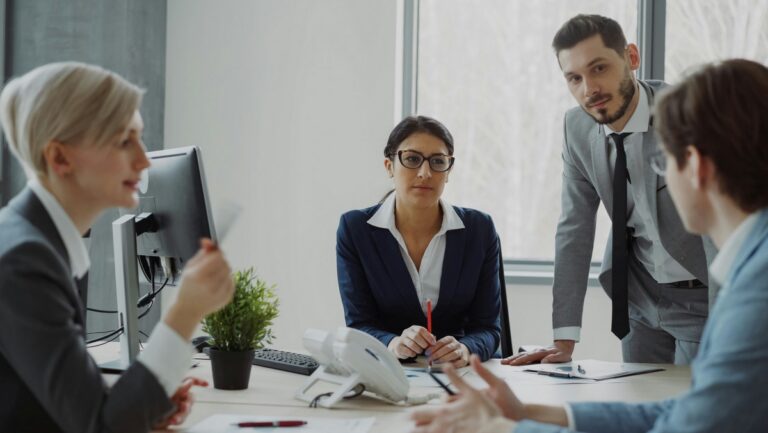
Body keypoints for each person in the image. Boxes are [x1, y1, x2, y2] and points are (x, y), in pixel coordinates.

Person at [410, 58, 768, 433]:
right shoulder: (751, 266)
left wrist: (497, 430)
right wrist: (530, 413)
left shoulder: (756, 294)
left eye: (665, 165)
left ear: (696, 168)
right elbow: (685, 413)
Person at [0, 62, 235, 433]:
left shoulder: (40, 241)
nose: (143, 160)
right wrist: (186, 314)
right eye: (124, 141)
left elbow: (63, 404)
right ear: (60, 158)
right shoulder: (22, 261)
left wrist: (139, 407)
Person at [506, 15, 715, 366]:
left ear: (631, 57)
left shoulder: (686, 114)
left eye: (599, 68)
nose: (589, 88)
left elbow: (717, 222)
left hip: (703, 295)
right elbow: (574, 228)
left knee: (698, 414)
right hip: (639, 296)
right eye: (574, 78)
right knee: (638, 406)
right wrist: (564, 339)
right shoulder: (576, 128)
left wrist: (733, 317)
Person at [336, 115, 502, 365]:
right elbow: (360, 324)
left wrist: (465, 349)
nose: (425, 173)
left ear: (448, 172)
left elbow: (489, 329)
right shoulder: (355, 230)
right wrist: (392, 343)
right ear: (389, 166)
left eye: (438, 161)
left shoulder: (479, 230)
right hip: (390, 372)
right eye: (412, 159)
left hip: (460, 375)